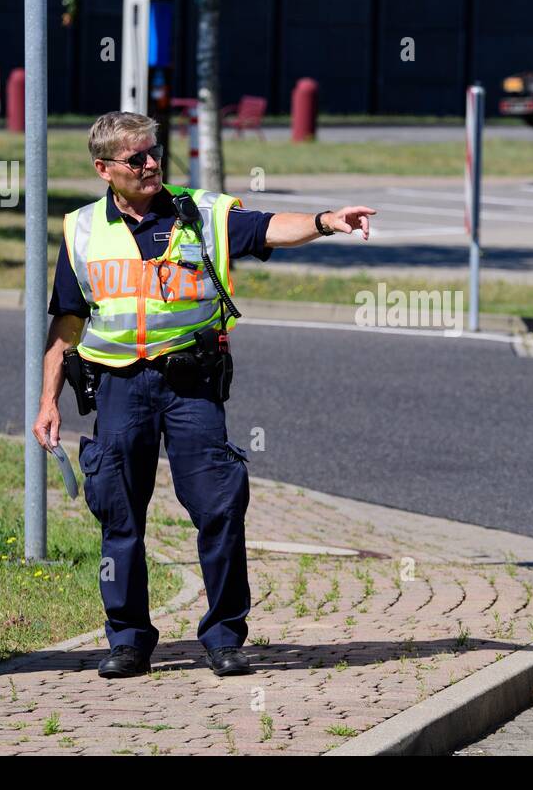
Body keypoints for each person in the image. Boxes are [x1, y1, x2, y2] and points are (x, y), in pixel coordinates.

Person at [33, 111, 374, 679]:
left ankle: (223, 637)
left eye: (153, 152)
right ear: (103, 169)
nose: (150, 163)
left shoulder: (201, 213)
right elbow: (66, 323)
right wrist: (48, 401)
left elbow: (268, 227)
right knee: (120, 516)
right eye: (135, 157)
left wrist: (326, 219)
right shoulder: (82, 229)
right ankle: (128, 640)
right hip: (119, 383)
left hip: (192, 384)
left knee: (218, 508)